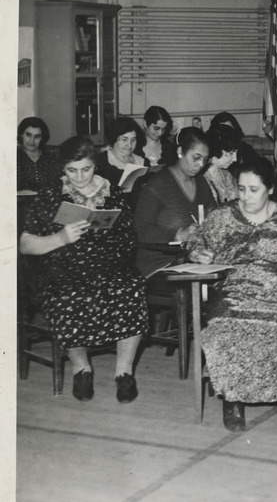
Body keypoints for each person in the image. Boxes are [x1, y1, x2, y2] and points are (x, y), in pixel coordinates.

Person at [187, 158, 277, 432]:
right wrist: (197, 251)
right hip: (234, 290)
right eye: (241, 189)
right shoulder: (224, 216)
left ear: (270, 189)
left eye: (254, 190)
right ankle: (233, 398)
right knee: (224, 328)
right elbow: (196, 237)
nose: (245, 196)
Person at [19, 136, 148, 403]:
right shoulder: (51, 195)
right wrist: (60, 238)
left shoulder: (111, 193)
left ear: (95, 166)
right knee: (66, 295)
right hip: (64, 267)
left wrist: (109, 236)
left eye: (86, 169)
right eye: (72, 170)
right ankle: (81, 369)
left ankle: (124, 372)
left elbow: (129, 237)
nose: (79, 177)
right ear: (63, 169)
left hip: (108, 265)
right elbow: (25, 244)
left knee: (131, 287)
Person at [134, 127, 217, 278]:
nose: (201, 164)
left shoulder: (201, 182)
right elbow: (141, 230)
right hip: (159, 264)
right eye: (196, 158)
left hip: (193, 260)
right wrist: (178, 235)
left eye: (205, 159)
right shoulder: (158, 184)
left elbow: (216, 218)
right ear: (180, 152)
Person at [95, 117, 147, 189]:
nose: (129, 145)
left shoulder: (142, 161)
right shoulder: (100, 163)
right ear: (114, 138)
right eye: (124, 139)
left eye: (133, 140)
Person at [17, 117, 61, 192]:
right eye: (28, 135)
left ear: (42, 138)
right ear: (21, 135)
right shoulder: (14, 158)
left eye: (37, 136)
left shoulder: (51, 158)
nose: (32, 141)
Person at [203, 123, 241, 203]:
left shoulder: (227, 175)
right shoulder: (201, 178)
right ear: (217, 149)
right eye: (231, 153)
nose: (235, 159)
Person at [141, 106, 176, 171]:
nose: (160, 133)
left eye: (163, 129)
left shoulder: (169, 147)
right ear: (145, 123)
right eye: (156, 128)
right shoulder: (133, 145)